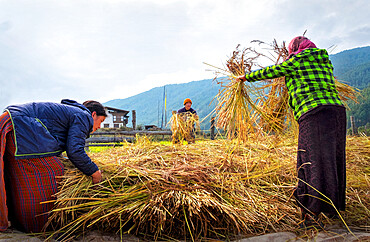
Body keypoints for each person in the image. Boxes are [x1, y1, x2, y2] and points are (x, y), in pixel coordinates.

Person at [237, 36, 346, 227]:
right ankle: (332, 208)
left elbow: (273, 71)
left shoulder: (297, 60)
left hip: (314, 114)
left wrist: (247, 77)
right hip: (337, 113)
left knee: (309, 162)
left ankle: (311, 215)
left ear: (295, 49)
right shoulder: (325, 61)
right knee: (332, 160)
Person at [0, 99, 107, 233]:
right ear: (93, 115)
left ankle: (18, 221)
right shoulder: (83, 116)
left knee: (17, 174)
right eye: (100, 121)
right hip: (22, 125)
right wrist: (94, 172)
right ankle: (38, 226)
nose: (99, 127)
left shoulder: (72, 113)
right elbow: (75, 150)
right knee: (54, 170)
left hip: (14, 121)